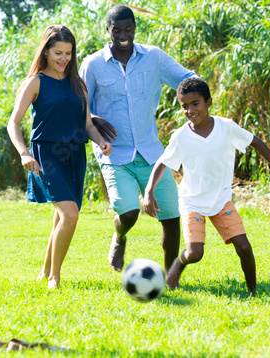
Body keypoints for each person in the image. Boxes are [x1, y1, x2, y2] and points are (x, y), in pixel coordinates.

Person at [144, 77, 270, 294]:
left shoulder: (226, 127)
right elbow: (163, 162)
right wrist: (149, 191)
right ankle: (178, 265)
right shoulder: (181, 136)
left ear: (209, 102)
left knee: (244, 247)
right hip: (192, 202)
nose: (190, 110)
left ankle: (253, 292)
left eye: (195, 104)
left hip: (220, 199)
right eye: (184, 106)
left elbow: (255, 141)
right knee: (195, 253)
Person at [79, 4, 197, 273]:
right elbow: (80, 104)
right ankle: (119, 236)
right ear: (107, 30)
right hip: (113, 153)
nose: (123, 34)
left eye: (128, 29)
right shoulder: (93, 64)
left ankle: (170, 277)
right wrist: (93, 117)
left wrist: (197, 103)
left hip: (151, 151)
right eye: (116, 29)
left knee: (170, 216)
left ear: (134, 28)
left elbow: (187, 78)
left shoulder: (153, 57)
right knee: (129, 211)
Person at [7, 25, 112, 289]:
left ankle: (44, 272)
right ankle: (55, 277)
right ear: (45, 52)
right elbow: (13, 123)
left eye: (68, 53)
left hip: (74, 155)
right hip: (46, 155)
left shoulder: (78, 84)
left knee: (61, 216)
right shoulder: (35, 82)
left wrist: (101, 141)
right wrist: (23, 153)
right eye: (58, 53)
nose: (63, 58)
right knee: (70, 214)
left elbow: (87, 123)